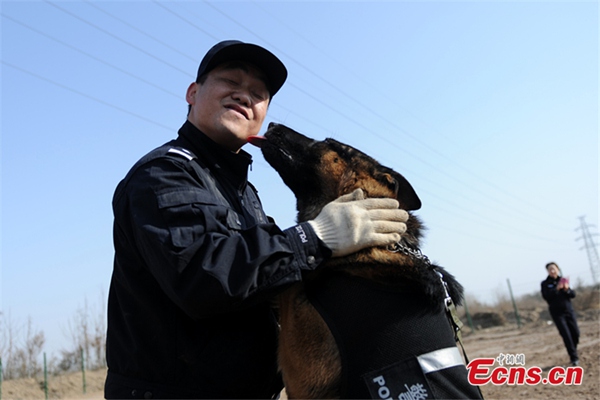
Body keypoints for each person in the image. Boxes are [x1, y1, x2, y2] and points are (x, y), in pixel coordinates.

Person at [104, 40, 410, 399]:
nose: (244, 96)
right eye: (230, 82)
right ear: (192, 92)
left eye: (258, 93)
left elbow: (264, 283)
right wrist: (316, 237)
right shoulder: (164, 175)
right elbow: (204, 277)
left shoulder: (243, 192)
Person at [541, 261, 580, 366]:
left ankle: (573, 349)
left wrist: (567, 289)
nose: (552, 271)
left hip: (569, 311)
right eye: (550, 269)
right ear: (548, 271)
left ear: (558, 269)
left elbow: (573, 295)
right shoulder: (545, 284)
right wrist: (556, 289)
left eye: (554, 268)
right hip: (557, 313)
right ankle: (574, 358)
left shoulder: (563, 280)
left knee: (575, 333)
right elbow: (546, 297)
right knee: (566, 335)